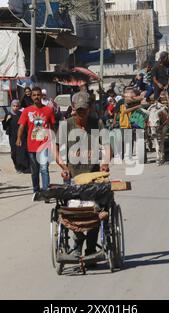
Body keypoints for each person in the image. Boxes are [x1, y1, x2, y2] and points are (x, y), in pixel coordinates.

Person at [55, 91, 111, 260]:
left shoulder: (97, 123)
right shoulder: (66, 125)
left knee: (95, 211)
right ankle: (77, 245)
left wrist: (105, 162)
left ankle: (91, 248)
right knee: (74, 211)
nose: (82, 114)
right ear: (73, 109)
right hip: (74, 178)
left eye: (84, 110)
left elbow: (107, 145)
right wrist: (63, 166)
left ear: (90, 109)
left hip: (94, 177)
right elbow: (55, 148)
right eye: (79, 110)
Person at [17, 87, 56, 194]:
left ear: (41, 96)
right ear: (31, 96)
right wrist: (19, 138)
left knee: (44, 169)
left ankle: (46, 191)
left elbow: (52, 126)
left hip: (44, 144)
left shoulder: (48, 110)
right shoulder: (27, 110)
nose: (36, 97)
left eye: (38, 95)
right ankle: (36, 190)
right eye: (34, 95)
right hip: (32, 146)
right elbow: (21, 126)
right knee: (34, 171)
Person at [3, 100, 30, 174]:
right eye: (14, 106)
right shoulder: (8, 115)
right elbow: (4, 127)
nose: (15, 108)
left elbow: (26, 125)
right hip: (12, 136)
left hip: (22, 135)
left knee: (22, 152)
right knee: (14, 152)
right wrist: (6, 121)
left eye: (17, 106)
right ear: (11, 106)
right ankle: (17, 166)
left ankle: (22, 167)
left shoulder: (22, 114)